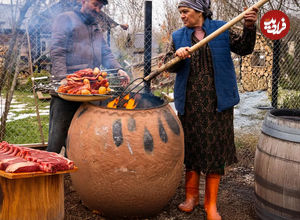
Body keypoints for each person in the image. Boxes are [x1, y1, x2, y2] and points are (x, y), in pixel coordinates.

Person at [164, 0, 258, 219]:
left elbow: (245, 48)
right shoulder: (178, 36)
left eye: (185, 12)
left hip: (218, 102)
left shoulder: (222, 29)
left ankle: (211, 204)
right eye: (180, 13)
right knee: (192, 148)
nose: (182, 16)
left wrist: (249, 27)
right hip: (190, 102)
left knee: (215, 151)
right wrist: (177, 55)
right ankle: (191, 198)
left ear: (199, 11)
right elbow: (168, 64)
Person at [48, 0, 130, 154]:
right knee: (57, 138)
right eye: (95, 4)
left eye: (100, 6)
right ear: (83, 1)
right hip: (68, 89)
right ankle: (48, 172)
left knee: (84, 138)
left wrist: (118, 69)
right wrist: (62, 78)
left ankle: (78, 172)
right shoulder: (66, 19)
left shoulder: (95, 26)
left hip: (91, 89)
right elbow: (57, 50)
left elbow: (105, 52)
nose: (98, 9)